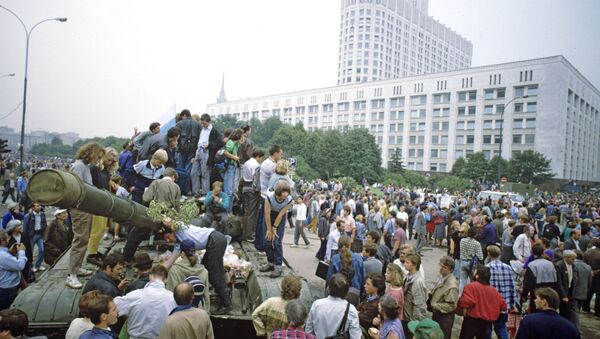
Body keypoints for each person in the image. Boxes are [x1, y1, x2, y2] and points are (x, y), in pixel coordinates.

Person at [162, 218, 232, 315]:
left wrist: (158, 217)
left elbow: (168, 220)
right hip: (213, 241)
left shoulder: (180, 228)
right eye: (166, 240)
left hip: (216, 240)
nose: (168, 241)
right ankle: (220, 291)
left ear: (173, 232)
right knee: (205, 267)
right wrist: (158, 272)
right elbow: (169, 262)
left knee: (215, 273)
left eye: (168, 237)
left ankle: (226, 304)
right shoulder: (179, 244)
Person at [114, 265, 177, 339]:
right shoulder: (173, 298)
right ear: (166, 279)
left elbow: (114, 306)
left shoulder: (136, 295)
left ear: (150, 276)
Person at [457, 265, 507, 339]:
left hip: (471, 321)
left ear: (477, 276)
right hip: (486, 323)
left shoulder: (471, 287)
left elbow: (465, 302)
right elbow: (503, 306)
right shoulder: (494, 290)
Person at [305, 273, 361, 339]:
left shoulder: (317, 304)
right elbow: (355, 336)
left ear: (329, 288)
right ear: (346, 292)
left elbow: (308, 329)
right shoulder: (350, 309)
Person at [163, 239, 211, 311]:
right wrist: (206, 313)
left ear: (182, 253)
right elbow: (206, 296)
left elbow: (170, 294)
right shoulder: (204, 271)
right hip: (199, 311)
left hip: (180, 311)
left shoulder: (175, 270)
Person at [259, 180, 293, 278]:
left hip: (280, 218)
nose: (286, 194)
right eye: (283, 191)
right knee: (267, 240)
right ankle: (270, 262)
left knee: (277, 241)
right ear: (278, 191)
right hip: (269, 216)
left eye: (287, 191)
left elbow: (282, 213)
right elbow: (267, 214)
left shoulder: (289, 200)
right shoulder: (269, 197)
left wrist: (274, 228)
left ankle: (278, 266)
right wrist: (269, 229)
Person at [516, 287, 580, 339]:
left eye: (537, 298)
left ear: (544, 302)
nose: (534, 300)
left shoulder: (529, 320)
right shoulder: (570, 327)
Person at [486, 245, 516, 339]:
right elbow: (512, 286)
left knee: (487, 327)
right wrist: (512, 303)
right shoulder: (508, 267)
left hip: (489, 304)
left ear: (489, 254)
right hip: (503, 304)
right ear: (500, 254)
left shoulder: (486, 268)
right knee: (501, 327)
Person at [191, 114, 224, 197]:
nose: (203, 125)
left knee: (205, 173)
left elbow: (220, 142)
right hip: (198, 151)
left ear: (208, 121)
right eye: (202, 123)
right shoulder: (201, 129)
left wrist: (209, 145)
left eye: (204, 123)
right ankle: (196, 192)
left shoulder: (214, 130)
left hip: (206, 151)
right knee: (194, 173)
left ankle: (205, 193)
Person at [327, 234, 366, 303]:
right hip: (355, 291)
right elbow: (362, 277)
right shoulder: (359, 258)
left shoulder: (335, 259)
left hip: (338, 291)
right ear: (350, 244)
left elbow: (329, 278)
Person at [521, 243, 558, 312]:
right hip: (549, 291)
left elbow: (527, 283)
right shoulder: (551, 264)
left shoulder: (532, 265)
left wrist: (524, 296)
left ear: (532, 252)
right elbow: (556, 279)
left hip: (536, 293)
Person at [428, 256, 458, 339]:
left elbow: (452, 306)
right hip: (437, 314)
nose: (441, 268)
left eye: (444, 267)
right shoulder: (442, 276)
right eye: (440, 265)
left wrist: (435, 305)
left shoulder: (452, 285)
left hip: (444, 319)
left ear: (450, 270)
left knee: (442, 336)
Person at [241, 149, 264, 241]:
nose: (261, 160)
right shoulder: (256, 165)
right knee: (252, 213)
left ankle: (245, 233)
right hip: (252, 190)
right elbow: (256, 179)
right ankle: (250, 235)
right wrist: (259, 191)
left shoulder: (247, 163)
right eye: (261, 158)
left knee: (247, 212)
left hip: (245, 188)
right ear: (258, 156)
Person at [0, 229, 26, 310]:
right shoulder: (3, 256)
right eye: (7, 238)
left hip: (5, 288)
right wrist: (22, 252)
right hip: (7, 291)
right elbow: (20, 265)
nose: (9, 239)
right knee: (8, 311)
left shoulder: (4, 254)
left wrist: (10, 253)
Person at [402, 253, 427, 338]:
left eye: (407, 262)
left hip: (411, 319)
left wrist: (414, 323)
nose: (405, 264)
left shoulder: (417, 282)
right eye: (405, 262)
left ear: (415, 265)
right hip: (406, 315)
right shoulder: (408, 276)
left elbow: (419, 304)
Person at [22, 202, 46, 272]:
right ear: (33, 208)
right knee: (30, 252)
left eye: (40, 206)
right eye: (37, 206)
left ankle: (38, 265)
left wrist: (44, 233)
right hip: (32, 235)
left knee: (42, 250)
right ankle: (30, 267)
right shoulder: (28, 216)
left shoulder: (42, 214)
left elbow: (44, 224)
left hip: (40, 234)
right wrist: (26, 237)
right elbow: (25, 227)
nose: (39, 207)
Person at [459, 227, 483, 295]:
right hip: (472, 264)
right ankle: (471, 296)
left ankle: (460, 296)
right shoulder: (477, 243)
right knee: (472, 281)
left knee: (462, 281)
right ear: (475, 235)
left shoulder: (462, 241)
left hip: (463, 261)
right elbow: (480, 256)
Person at [223, 128, 242, 212]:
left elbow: (241, 143)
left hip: (233, 166)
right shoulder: (230, 143)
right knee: (229, 190)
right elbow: (225, 152)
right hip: (229, 167)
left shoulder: (236, 144)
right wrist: (234, 157)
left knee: (232, 190)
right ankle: (227, 211)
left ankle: (229, 210)